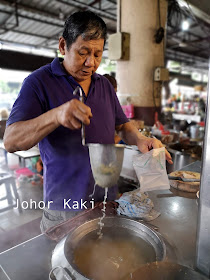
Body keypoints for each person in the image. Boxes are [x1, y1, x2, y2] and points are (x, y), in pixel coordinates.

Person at [3, 11, 172, 232]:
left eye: (98, 54)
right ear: (63, 46)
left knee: (104, 257)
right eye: (83, 52)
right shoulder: (37, 83)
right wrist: (55, 115)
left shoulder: (103, 85)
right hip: (65, 205)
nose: (91, 63)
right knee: (64, 262)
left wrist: (139, 138)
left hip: (105, 200)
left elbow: (121, 125)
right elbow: (11, 141)